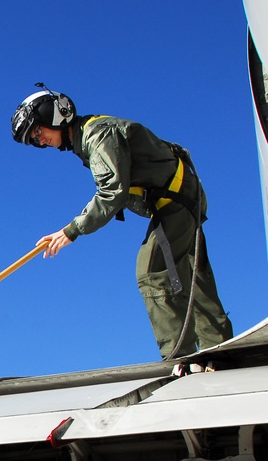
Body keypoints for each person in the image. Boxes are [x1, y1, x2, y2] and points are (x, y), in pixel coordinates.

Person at [12, 86, 233, 360]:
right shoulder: (91, 136)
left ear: (54, 114)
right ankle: (220, 349)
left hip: (175, 198)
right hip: (181, 195)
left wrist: (71, 231)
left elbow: (112, 192)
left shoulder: (97, 135)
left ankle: (181, 358)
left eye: (37, 131)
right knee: (190, 274)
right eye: (34, 139)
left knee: (151, 271)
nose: (40, 140)